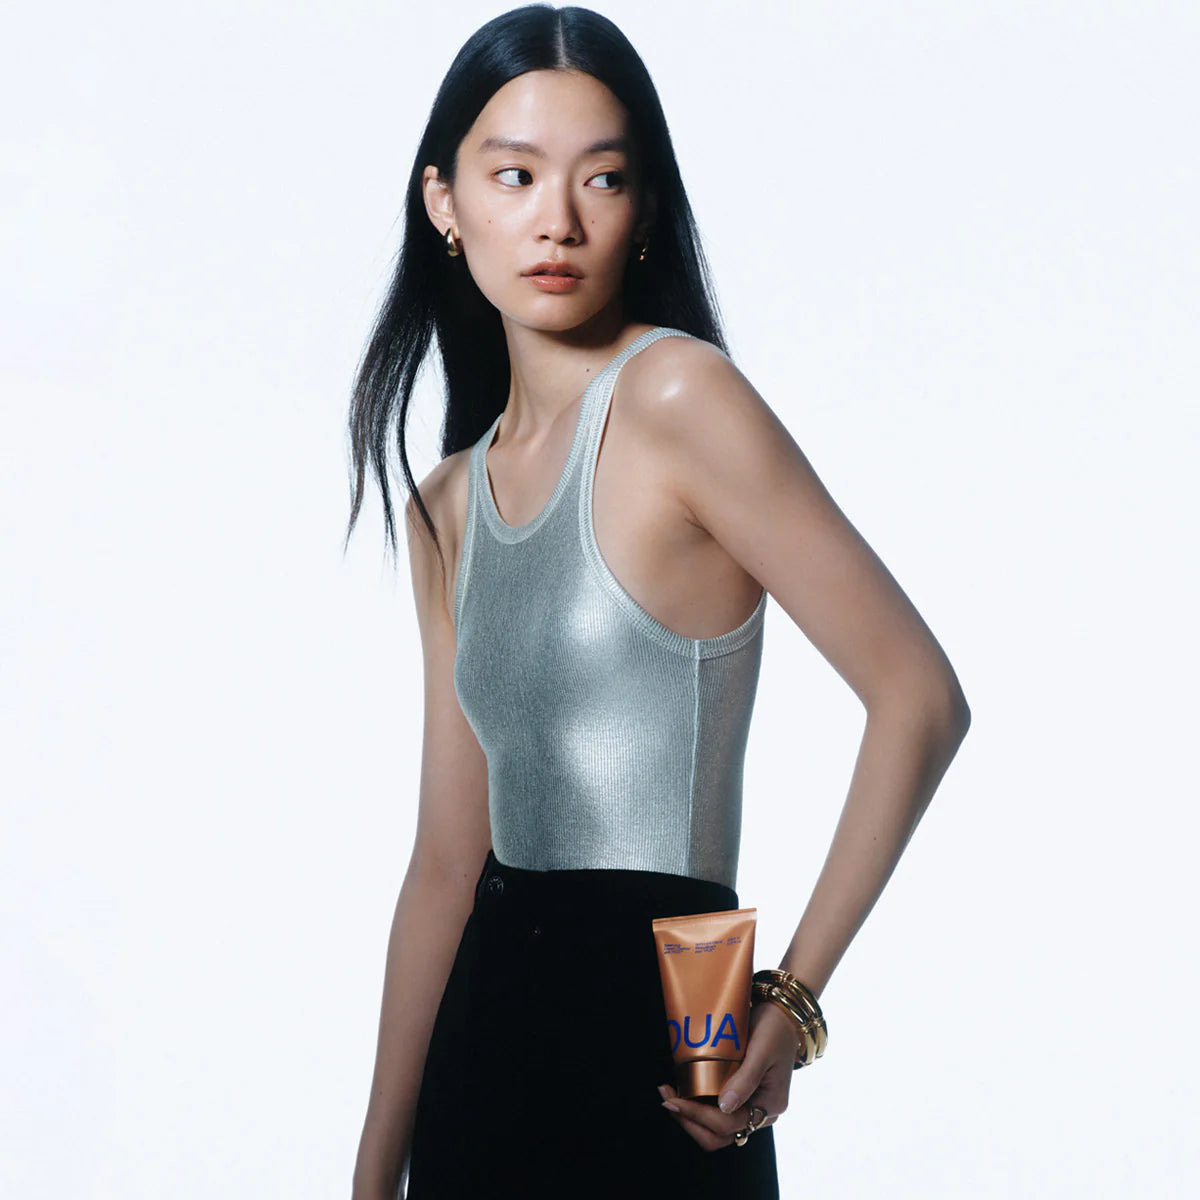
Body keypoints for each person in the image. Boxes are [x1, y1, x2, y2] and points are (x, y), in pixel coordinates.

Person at [345, 6, 970, 1198]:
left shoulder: (681, 398)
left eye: (604, 177)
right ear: (445, 202)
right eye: (515, 175)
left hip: (670, 1039)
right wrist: (375, 1172)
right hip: (483, 1047)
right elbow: (444, 865)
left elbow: (919, 698)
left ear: (643, 210)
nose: (558, 220)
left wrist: (790, 998)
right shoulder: (448, 505)